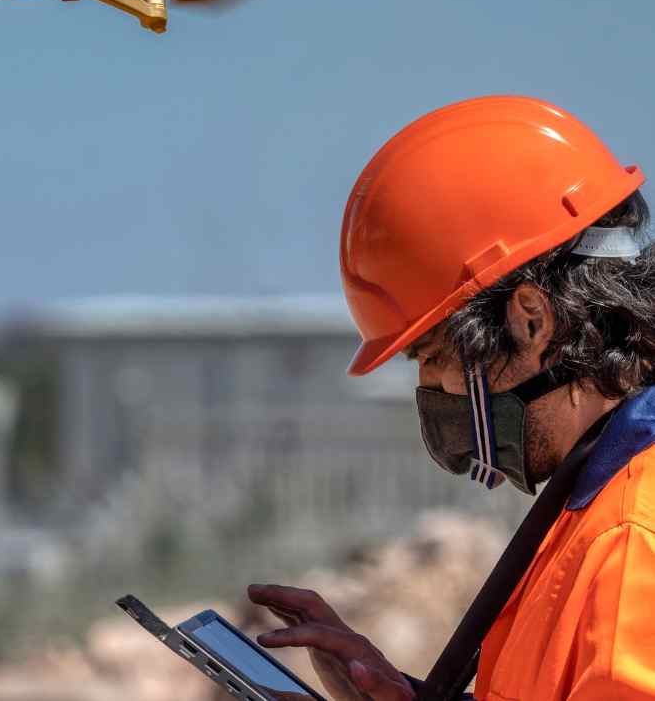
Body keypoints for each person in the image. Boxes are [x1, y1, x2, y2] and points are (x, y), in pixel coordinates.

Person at [248, 95, 655, 701]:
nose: (430, 392)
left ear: (531, 320)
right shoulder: (595, 509)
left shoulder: (630, 537)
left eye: (432, 357)